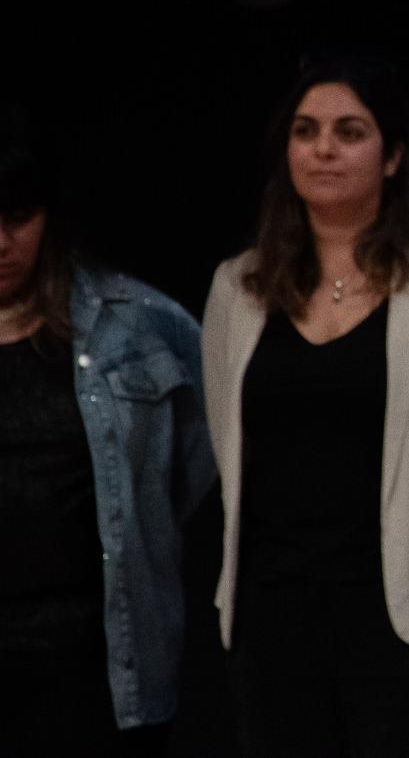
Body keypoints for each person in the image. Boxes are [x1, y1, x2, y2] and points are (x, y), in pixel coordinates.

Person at [201, 57, 409, 758]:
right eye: (306, 131)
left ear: (391, 158)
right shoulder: (238, 288)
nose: (323, 148)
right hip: (273, 619)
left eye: (349, 131)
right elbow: (223, 441)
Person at [0, 108, 214, 757]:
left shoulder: (137, 323)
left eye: (17, 218)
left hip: (96, 666)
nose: (1, 243)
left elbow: (199, 457)